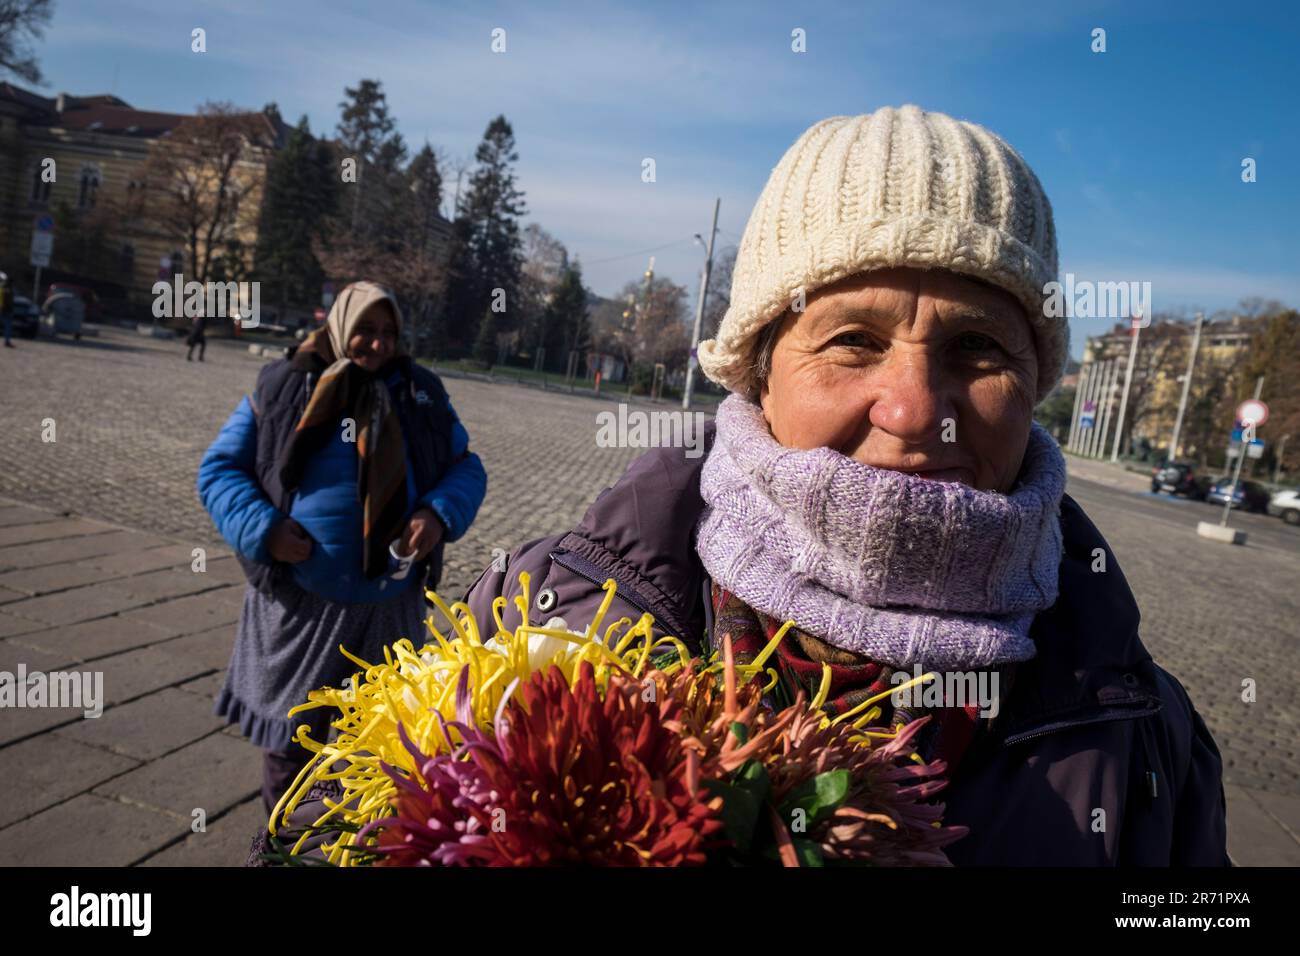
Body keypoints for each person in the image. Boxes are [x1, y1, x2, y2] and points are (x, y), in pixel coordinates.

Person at [462, 107, 1228, 865]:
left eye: (977, 346)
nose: (917, 409)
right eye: (853, 341)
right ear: (757, 373)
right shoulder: (538, 626)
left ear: (1034, 385)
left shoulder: (1144, 736)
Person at [198, 281, 487, 814]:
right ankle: (284, 842)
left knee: (374, 751)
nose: (377, 345)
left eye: (388, 334)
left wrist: (437, 514)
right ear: (339, 327)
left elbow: (466, 466)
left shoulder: (419, 393)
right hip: (301, 609)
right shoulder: (285, 386)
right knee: (292, 745)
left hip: (388, 612)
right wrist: (264, 530)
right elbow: (219, 470)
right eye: (365, 331)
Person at [1, 272, 13, 348]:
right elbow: (7, 299)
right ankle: (7, 341)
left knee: (7, 326)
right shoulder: (7, 288)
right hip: (5, 309)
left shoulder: (2, 286)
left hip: (4, 308)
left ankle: (7, 341)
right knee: (8, 326)